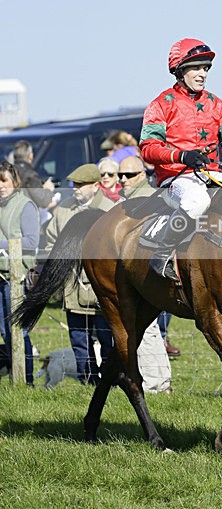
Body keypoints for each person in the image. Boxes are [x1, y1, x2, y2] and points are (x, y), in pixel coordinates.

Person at [139, 38, 222, 280]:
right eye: (196, 67)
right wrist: (181, 155)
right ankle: (161, 255)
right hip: (176, 179)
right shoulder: (160, 105)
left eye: (206, 68)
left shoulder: (216, 104)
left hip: (212, 174)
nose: (202, 74)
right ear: (180, 70)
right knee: (197, 202)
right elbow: (148, 148)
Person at [45, 163, 115, 384]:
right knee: (79, 340)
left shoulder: (113, 209)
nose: (75, 188)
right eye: (74, 184)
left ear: (96, 185)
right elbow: (49, 244)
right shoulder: (63, 211)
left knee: (108, 339)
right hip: (72, 287)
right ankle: (89, 381)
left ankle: (111, 382)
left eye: (81, 184)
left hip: (102, 288)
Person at [117, 155, 179, 375]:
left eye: (129, 175)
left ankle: (158, 381)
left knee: (152, 334)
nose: (123, 179)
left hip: (152, 279)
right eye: (120, 175)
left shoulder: (147, 200)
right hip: (138, 278)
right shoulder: (127, 200)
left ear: (142, 175)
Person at [0, 161, 40, 385]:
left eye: (4, 180)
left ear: (14, 181)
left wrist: (2, 243)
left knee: (19, 331)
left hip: (16, 278)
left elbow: (32, 241)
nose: (0, 186)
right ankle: (15, 378)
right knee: (5, 332)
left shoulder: (25, 205)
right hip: (0, 276)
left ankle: (27, 380)